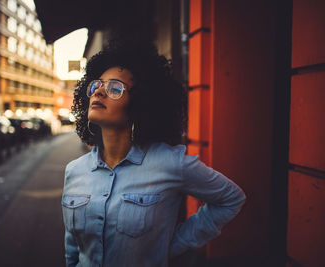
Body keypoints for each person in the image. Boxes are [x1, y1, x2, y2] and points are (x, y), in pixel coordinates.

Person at [62, 41, 246, 267]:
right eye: (97, 85)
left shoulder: (169, 164)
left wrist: (172, 245)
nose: (99, 91)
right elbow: (73, 247)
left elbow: (230, 199)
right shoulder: (74, 171)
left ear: (139, 103)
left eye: (115, 88)